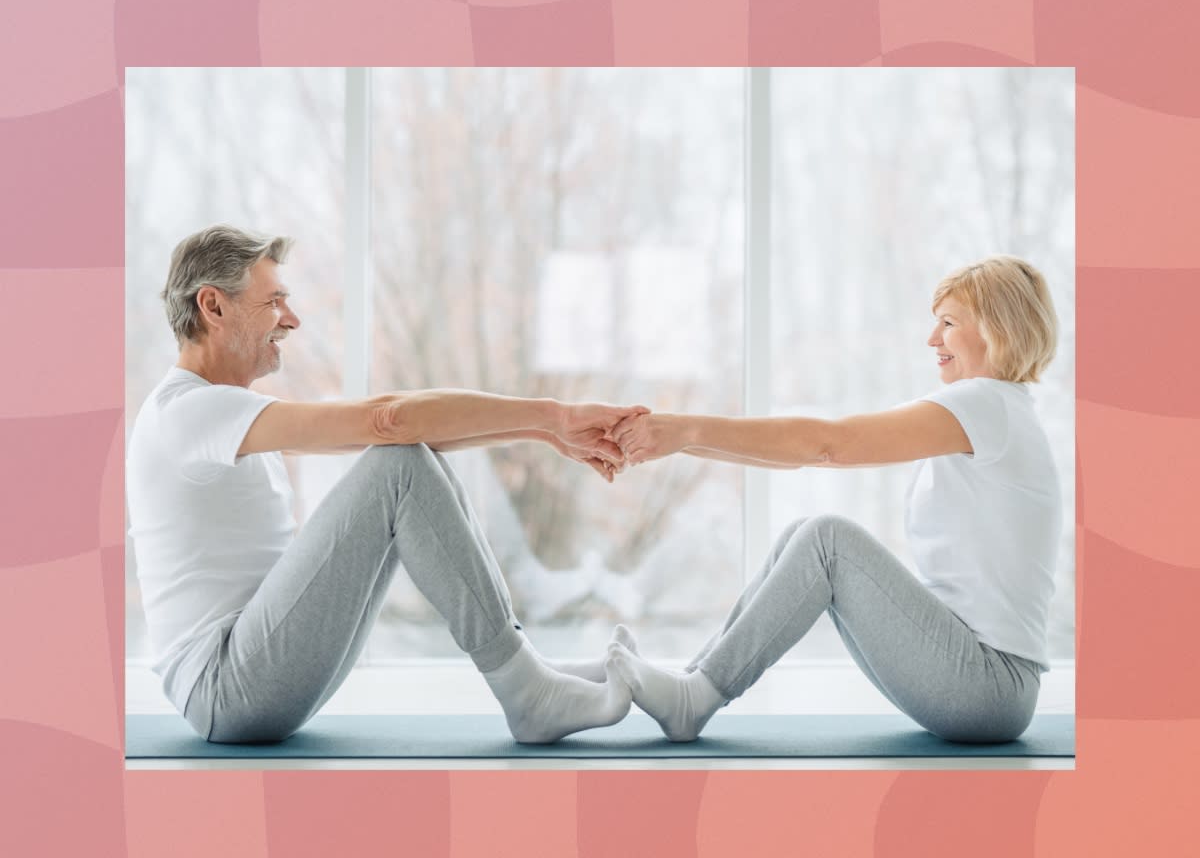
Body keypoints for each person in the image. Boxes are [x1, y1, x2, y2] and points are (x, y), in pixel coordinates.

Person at [128, 224, 645, 744]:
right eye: (274, 301)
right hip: (226, 688)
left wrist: (545, 429)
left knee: (414, 459)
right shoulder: (189, 412)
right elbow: (388, 422)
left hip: (251, 671)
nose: (292, 319)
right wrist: (555, 415)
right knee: (396, 464)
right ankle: (525, 690)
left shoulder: (219, 415)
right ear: (213, 307)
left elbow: (407, 433)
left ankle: (527, 670)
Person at [604, 256, 1062, 743]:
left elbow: (827, 444)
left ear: (997, 330)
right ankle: (692, 684)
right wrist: (678, 438)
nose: (932, 339)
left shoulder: (985, 403)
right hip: (982, 682)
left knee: (828, 541)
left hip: (989, 687)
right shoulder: (999, 411)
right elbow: (809, 454)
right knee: (801, 536)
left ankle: (694, 698)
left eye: (948, 323)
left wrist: (685, 429)